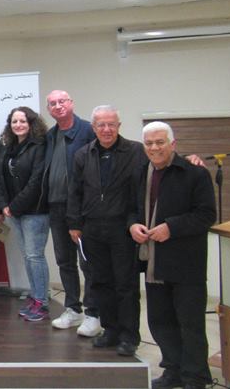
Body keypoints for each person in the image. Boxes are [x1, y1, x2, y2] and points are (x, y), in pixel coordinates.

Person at [130, 122, 216, 389]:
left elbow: (206, 215)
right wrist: (132, 225)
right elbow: (131, 209)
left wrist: (171, 227)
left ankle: (195, 377)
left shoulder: (195, 173)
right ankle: (173, 371)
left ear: (173, 144)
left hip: (186, 264)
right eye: (149, 143)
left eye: (160, 142)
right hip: (154, 264)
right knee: (160, 322)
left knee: (190, 325)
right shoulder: (140, 173)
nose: (154, 148)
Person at [67, 105, 144, 356]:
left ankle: (129, 336)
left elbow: (158, 165)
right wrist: (74, 223)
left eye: (111, 124)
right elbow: (75, 191)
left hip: (123, 229)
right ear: (94, 128)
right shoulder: (82, 155)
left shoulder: (136, 151)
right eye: (101, 125)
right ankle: (110, 330)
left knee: (125, 285)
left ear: (119, 126)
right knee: (100, 283)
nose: (107, 129)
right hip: (92, 229)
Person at [42, 90, 100, 336]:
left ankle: (94, 313)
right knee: (64, 261)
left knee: (88, 263)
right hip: (56, 207)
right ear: (49, 109)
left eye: (62, 101)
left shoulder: (88, 131)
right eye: (52, 103)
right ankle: (73, 309)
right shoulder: (50, 135)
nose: (58, 106)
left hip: (82, 208)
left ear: (71, 103)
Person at [0, 107, 49, 321]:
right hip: (14, 211)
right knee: (28, 256)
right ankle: (35, 297)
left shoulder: (40, 146)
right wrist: (4, 206)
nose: (18, 125)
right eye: (14, 121)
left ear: (32, 123)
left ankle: (42, 302)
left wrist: (13, 207)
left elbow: (36, 182)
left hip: (35, 211)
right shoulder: (9, 147)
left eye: (23, 121)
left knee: (35, 256)